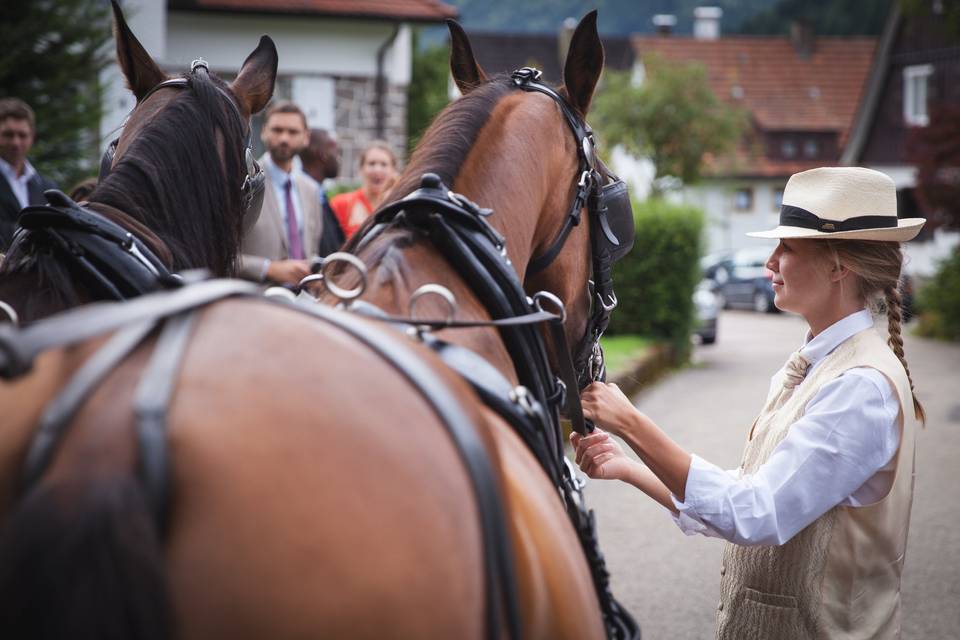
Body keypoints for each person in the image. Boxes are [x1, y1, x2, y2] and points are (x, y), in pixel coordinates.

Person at [573, 167, 926, 639]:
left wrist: (632, 423)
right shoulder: (816, 364)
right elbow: (742, 494)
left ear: (840, 266)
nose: (770, 262)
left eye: (788, 248)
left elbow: (754, 513)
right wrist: (628, 465)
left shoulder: (861, 388)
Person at [239, 101, 322, 286]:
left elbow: (311, 251)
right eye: (277, 130)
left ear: (306, 137)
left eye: (293, 132)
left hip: (303, 302)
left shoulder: (311, 190)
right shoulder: (241, 183)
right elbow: (221, 256)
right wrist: (268, 268)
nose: (284, 138)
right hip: (256, 302)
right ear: (263, 132)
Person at [0, 98, 57, 251]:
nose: (15, 142)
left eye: (22, 135)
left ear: (32, 137)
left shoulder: (47, 187)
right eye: (8, 134)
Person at [329, 140, 397, 239]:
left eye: (384, 164)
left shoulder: (397, 207)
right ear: (361, 169)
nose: (377, 170)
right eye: (371, 163)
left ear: (393, 171)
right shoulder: (340, 204)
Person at [298, 128, 345, 256]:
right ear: (323, 155)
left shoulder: (320, 196)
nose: (338, 159)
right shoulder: (298, 200)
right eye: (337, 152)